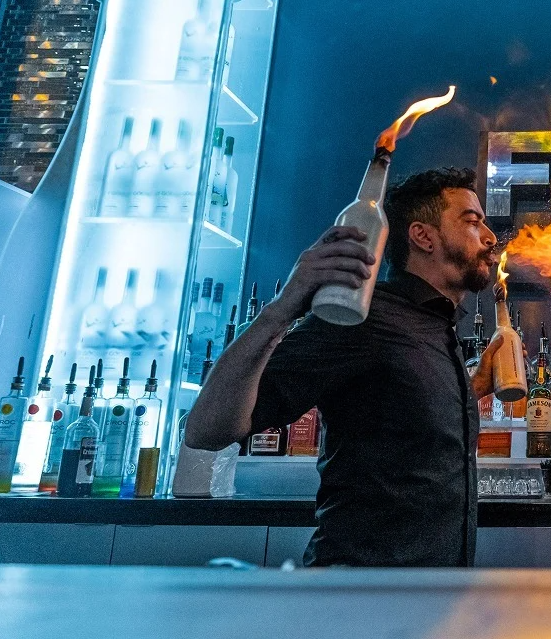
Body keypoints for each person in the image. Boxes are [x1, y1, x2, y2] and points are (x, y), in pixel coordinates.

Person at [185, 167, 499, 566]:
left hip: (431, 592)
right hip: (360, 591)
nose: (490, 237)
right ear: (423, 237)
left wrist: (474, 386)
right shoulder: (362, 319)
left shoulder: (437, 325)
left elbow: (403, 421)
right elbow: (208, 429)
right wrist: (283, 308)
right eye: (472, 222)